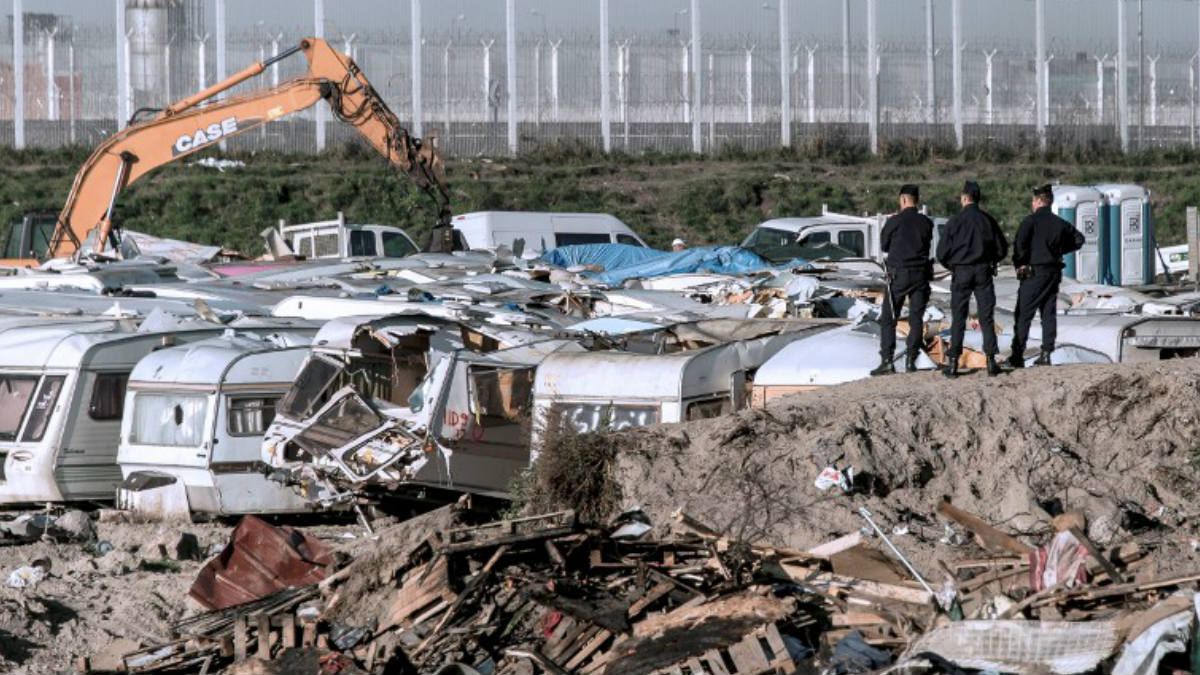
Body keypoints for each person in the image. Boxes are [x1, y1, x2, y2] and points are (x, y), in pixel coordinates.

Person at [936, 180, 1008, 378]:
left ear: (965, 197)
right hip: (983, 271)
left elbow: (941, 253)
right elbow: (1002, 249)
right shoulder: (988, 220)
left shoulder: (954, 221)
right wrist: (991, 260)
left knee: (959, 317)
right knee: (986, 317)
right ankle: (991, 361)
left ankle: (953, 364)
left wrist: (954, 266)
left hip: (961, 272)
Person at [1009, 184, 1085, 368]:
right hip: (1053, 272)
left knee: (1023, 315)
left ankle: (1017, 355)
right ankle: (1046, 354)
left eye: (1033, 201)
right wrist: (1060, 249)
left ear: (1037, 201)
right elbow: (1079, 239)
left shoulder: (1030, 222)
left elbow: (1020, 246)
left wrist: (1020, 264)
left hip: (1034, 273)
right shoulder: (1059, 223)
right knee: (1048, 314)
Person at [871, 184, 934, 376]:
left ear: (903, 200)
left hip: (899, 274)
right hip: (921, 274)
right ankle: (910, 360)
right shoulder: (926, 222)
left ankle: (887, 360)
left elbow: (884, 245)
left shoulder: (894, 221)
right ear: (917, 200)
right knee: (916, 319)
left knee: (889, 318)